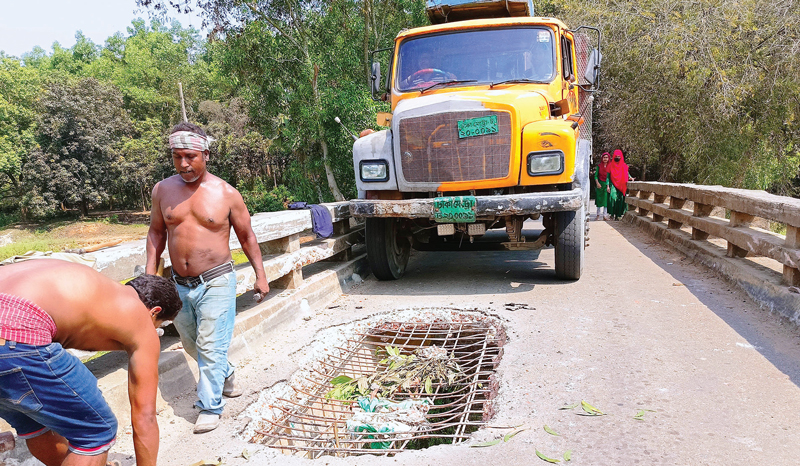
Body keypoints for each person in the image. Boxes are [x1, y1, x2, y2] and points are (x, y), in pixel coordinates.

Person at [146, 122, 270, 434]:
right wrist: (149, 278)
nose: (184, 163)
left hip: (216, 280)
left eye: (190, 156)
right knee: (191, 343)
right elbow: (156, 232)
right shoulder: (162, 191)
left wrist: (261, 275)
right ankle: (226, 374)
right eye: (177, 157)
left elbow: (247, 237)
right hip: (178, 285)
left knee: (211, 346)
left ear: (206, 154)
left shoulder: (227, 194)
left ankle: (210, 405)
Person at [0, 260, 182, 466]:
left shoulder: (93, 288)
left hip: (11, 331)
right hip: (15, 333)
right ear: (154, 311)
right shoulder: (139, 316)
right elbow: (145, 416)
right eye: (159, 325)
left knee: (35, 420)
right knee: (96, 431)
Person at [607, 149, 634, 220]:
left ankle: (618, 215)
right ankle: (612, 214)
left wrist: (630, 177)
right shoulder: (610, 165)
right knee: (613, 198)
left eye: (619, 156)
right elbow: (607, 177)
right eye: (616, 156)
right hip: (613, 184)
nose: (617, 157)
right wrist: (607, 186)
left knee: (621, 199)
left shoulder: (624, 165)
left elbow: (627, 173)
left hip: (621, 185)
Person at [594, 152, 611, 220]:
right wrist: (597, 183)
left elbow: (609, 177)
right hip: (600, 185)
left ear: (608, 158)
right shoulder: (599, 166)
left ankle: (605, 215)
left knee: (605, 201)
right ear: (602, 158)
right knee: (599, 200)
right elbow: (595, 176)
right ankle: (598, 214)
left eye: (606, 157)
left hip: (607, 185)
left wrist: (608, 186)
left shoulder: (610, 166)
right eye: (604, 157)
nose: (605, 159)